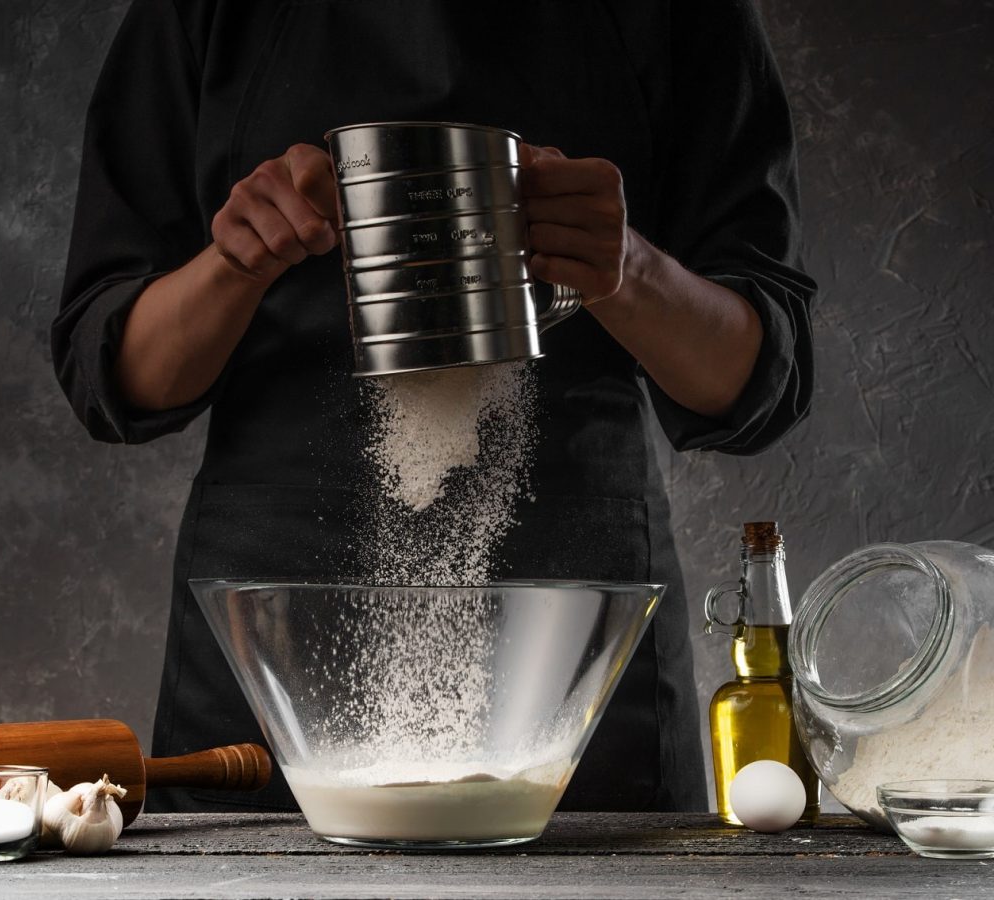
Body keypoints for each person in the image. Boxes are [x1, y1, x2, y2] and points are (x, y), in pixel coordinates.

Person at [52, 0, 815, 814]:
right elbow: (115, 378)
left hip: (566, 626)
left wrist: (624, 266)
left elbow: (758, 380)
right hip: (277, 624)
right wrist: (233, 262)